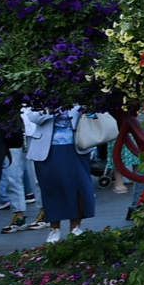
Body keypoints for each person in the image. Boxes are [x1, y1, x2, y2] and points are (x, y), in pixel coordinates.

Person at [20, 102, 98, 243]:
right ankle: (54, 229)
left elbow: (92, 114)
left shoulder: (80, 92)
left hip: (77, 145)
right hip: (47, 149)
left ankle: (75, 228)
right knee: (51, 188)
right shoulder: (40, 94)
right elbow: (32, 117)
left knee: (78, 186)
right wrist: (48, 110)